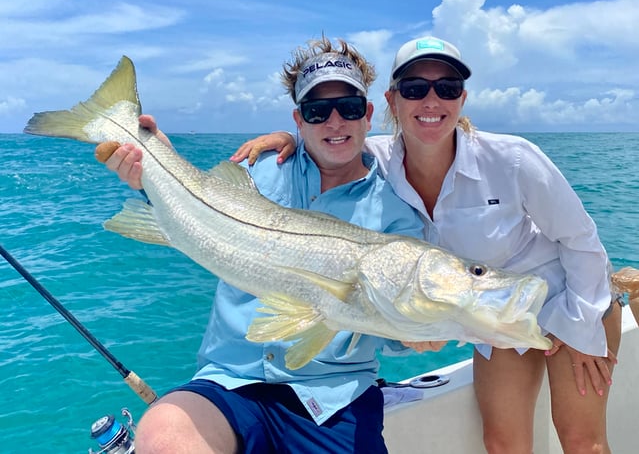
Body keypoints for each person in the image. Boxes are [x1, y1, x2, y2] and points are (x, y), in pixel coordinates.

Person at [232, 35, 623, 454]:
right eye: (415, 89)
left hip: (570, 298)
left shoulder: (512, 158)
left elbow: (580, 240)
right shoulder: (375, 160)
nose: (431, 100)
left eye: (447, 88)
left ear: (462, 98)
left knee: (584, 443)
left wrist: (582, 328)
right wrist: (288, 138)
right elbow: (329, 135)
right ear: (392, 100)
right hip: (492, 316)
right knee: (504, 445)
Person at [101, 36, 441, 454]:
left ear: (368, 115)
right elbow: (194, 206)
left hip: (334, 396)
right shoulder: (261, 169)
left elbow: (391, 335)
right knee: (164, 436)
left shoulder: (397, 217)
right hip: (230, 380)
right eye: (318, 112)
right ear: (298, 121)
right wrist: (151, 170)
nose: (335, 123)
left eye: (349, 109)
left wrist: (417, 333)